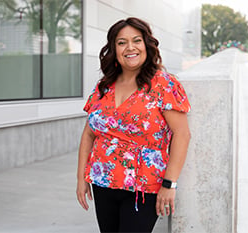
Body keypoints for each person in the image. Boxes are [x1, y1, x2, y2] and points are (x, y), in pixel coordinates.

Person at [76, 17, 191, 233]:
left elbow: (182, 135)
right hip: (103, 182)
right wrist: (81, 177)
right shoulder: (103, 87)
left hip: (144, 188)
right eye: (121, 42)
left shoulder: (163, 84)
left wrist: (170, 184)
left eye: (136, 40)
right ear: (114, 49)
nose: (130, 47)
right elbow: (89, 134)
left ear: (146, 45)